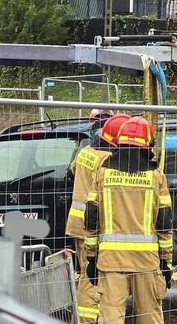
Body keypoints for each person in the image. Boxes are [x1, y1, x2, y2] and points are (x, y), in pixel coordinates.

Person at [85, 116, 173, 324]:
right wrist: (166, 260)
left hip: (110, 261)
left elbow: (91, 219)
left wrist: (90, 257)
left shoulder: (102, 175)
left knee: (111, 317)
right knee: (149, 316)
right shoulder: (157, 177)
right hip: (147, 262)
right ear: (147, 146)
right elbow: (164, 223)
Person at [66, 114, 131, 323]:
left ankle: (88, 317)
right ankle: (89, 319)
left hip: (77, 223)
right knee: (93, 277)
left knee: (86, 272)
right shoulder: (106, 160)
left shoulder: (86, 151)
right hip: (93, 225)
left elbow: (72, 172)